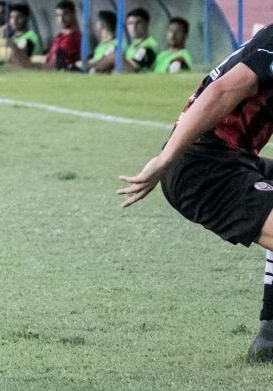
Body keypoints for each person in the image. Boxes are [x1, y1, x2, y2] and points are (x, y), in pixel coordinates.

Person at [117, 25, 273, 362]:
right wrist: (166, 158)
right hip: (205, 169)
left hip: (234, 160)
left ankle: (268, 340)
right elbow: (221, 91)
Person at [43, 0, 82, 71]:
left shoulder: (74, 37)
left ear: (73, 14)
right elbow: (48, 58)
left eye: (66, 14)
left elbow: (56, 63)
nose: (61, 19)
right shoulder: (59, 36)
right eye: (58, 15)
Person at [4, 3, 41, 67]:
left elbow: (21, 59)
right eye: (12, 17)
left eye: (19, 17)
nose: (14, 21)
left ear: (26, 18)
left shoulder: (30, 37)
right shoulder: (14, 37)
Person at [124, 7, 159, 72]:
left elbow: (134, 67)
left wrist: (115, 58)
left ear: (147, 24)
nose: (133, 27)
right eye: (130, 23)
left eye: (138, 23)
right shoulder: (132, 46)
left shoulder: (149, 45)